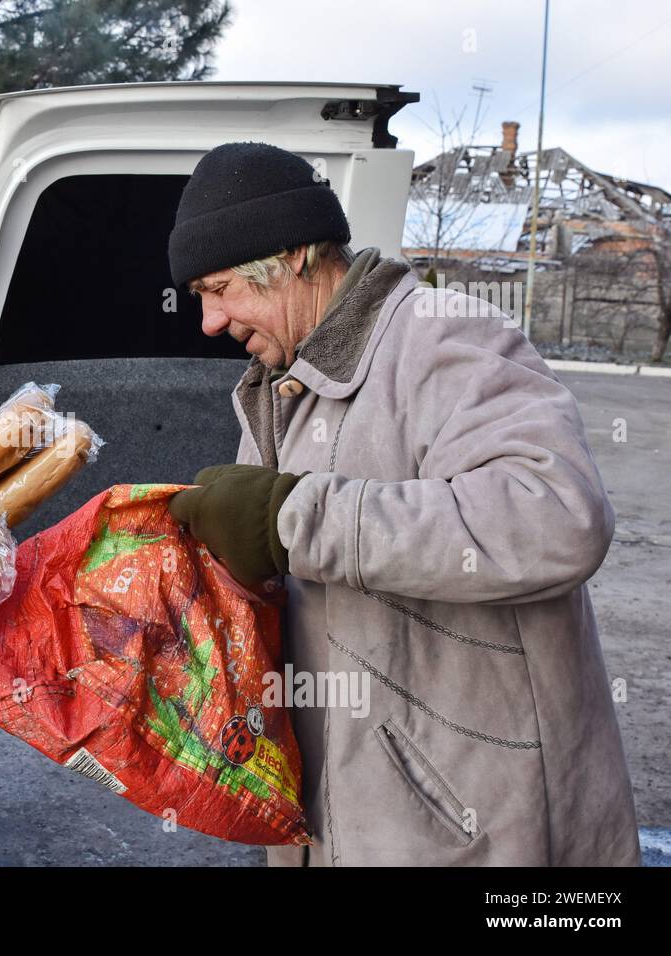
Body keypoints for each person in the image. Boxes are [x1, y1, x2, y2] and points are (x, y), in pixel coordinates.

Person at [166, 142, 640, 866]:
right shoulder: (276, 387)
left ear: (293, 255)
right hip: (343, 820)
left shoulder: (443, 336)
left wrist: (292, 521)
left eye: (220, 287)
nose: (207, 320)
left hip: (466, 831)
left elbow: (557, 514)